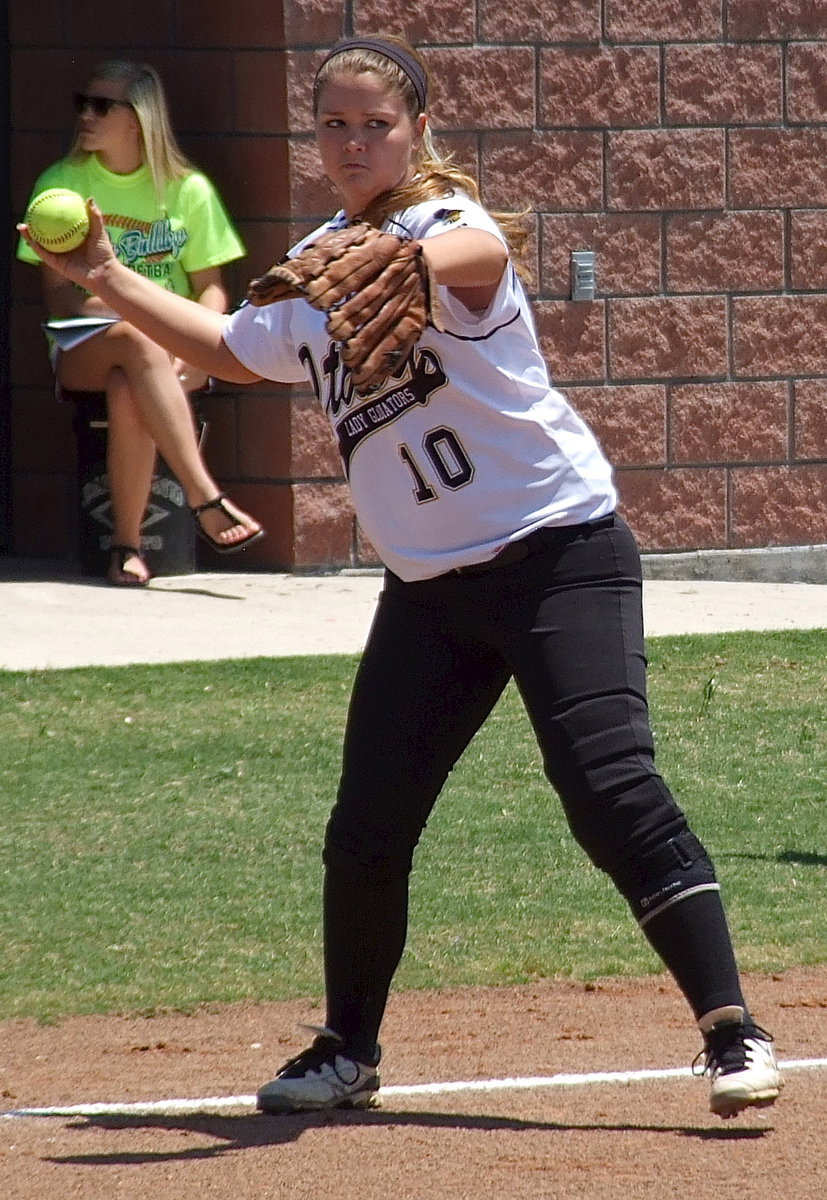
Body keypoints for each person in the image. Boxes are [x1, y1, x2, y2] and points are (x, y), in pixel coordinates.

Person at [19, 35, 782, 1119]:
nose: (350, 141)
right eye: (331, 123)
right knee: (368, 823)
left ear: (417, 128)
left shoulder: (436, 227)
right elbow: (235, 346)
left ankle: (729, 1028)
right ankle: (345, 1050)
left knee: (607, 791)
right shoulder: (322, 259)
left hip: (556, 555)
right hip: (428, 593)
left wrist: (403, 262)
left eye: (373, 122)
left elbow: (482, 255)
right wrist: (100, 274)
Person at [17, 60, 264, 586]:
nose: (86, 114)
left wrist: (198, 341)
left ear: (139, 119)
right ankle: (204, 494)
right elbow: (60, 299)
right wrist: (143, 319)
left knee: (132, 382)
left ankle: (126, 548)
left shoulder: (187, 189)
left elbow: (212, 288)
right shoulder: (61, 186)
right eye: (81, 102)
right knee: (136, 339)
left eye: (101, 106)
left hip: (171, 350)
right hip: (84, 343)